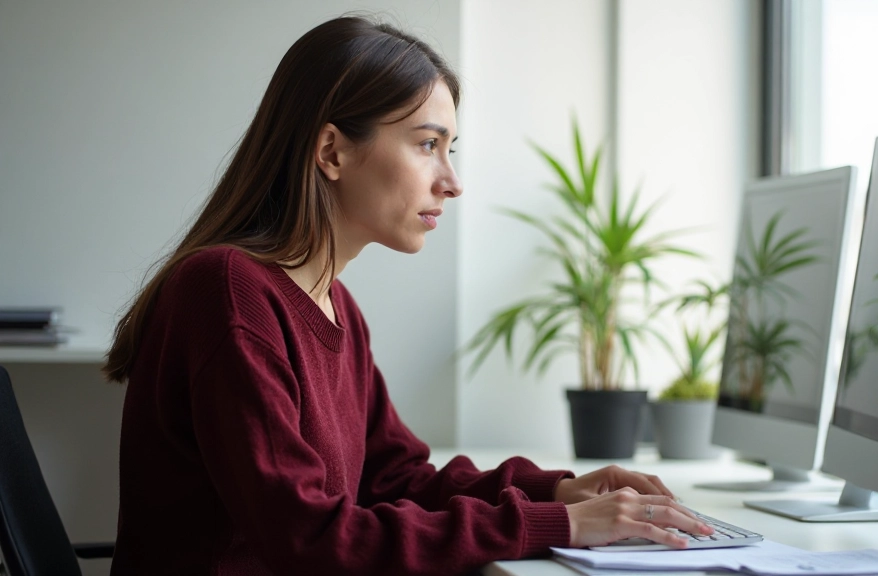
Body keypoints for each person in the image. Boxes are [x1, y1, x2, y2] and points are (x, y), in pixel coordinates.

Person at [102, 15, 712, 576]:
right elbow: (307, 537)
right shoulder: (229, 292)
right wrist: (559, 525)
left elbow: (395, 477)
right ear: (332, 152)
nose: (452, 182)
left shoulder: (334, 305)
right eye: (427, 145)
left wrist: (555, 491)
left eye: (451, 150)